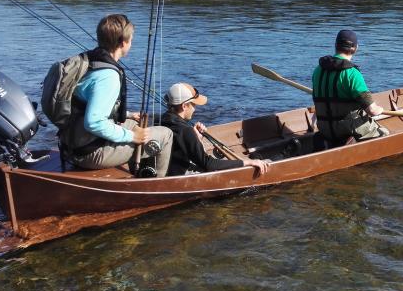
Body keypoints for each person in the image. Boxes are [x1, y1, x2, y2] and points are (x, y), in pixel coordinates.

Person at [64, 14, 174, 177]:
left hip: (71, 143)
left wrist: (128, 115)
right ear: (123, 43)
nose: (131, 43)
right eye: (131, 40)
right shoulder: (108, 77)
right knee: (165, 134)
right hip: (88, 153)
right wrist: (132, 136)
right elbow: (93, 123)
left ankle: (137, 173)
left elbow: (89, 104)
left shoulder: (90, 61)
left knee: (133, 122)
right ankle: (156, 186)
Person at [159, 82, 271, 177]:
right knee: (265, 162)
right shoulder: (185, 131)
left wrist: (197, 138)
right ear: (184, 106)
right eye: (194, 105)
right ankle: (258, 159)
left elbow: (179, 146)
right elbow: (209, 164)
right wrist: (248, 162)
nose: (195, 108)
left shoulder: (161, 120)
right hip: (181, 175)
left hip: (168, 170)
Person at [311, 29, 389, 149]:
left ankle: (328, 144)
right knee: (385, 133)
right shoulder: (352, 74)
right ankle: (351, 144)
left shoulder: (318, 71)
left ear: (336, 45)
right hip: (346, 130)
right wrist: (380, 109)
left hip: (326, 130)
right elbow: (372, 111)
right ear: (356, 48)